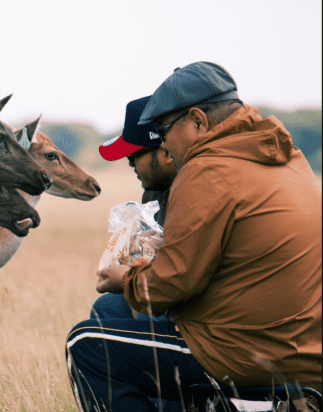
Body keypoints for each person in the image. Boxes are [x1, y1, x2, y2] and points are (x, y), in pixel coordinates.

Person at [67, 61, 322, 412]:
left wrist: (125, 277)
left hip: (248, 354)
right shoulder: (290, 159)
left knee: (86, 343)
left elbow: (173, 284)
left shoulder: (207, 169)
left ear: (198, 121)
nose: (166, 144)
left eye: (164, 129)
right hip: (304, 352)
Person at [93, 96, 178, 322]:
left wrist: (127, 281)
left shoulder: (199, 192)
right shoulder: (155, 192)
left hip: (197, 312)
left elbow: (182, 277)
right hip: (163, 289)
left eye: (134, 155)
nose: (130, 164)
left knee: (145, 315)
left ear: (166, 151)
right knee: (107, 306)